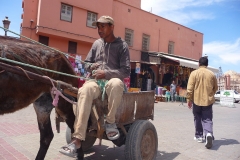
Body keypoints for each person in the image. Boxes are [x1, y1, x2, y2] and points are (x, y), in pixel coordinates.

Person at [59, 15, 131, 157]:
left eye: (103, 26)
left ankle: (110, 123)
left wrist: (106, 73)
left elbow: (126, 70)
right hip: (95, 82)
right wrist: (91, 66)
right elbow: (86, 64)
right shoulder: (97, 43)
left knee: (116, 84)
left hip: (112, 81)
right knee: (84, 89)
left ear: (112, 27)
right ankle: (77, 139)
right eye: (98, 27)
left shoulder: (122, 45)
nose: (99, 29)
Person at [186, 57, 218, 149]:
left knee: (197, 117)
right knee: (207, 118)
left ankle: (199, 136)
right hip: (208, 101)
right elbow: (215, 88)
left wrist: (189, 99)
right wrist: (210, 94)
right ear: (207, 65)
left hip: (196, 100)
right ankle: (208, 133)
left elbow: (190, 88)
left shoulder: (194, 73)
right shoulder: (212, 74)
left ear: (199, 64)